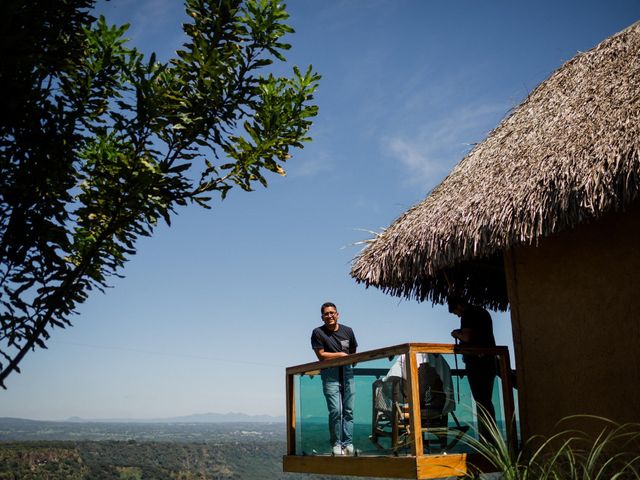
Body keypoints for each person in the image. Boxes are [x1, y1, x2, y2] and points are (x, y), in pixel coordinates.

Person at [311, 302, 358, 456]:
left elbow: (353, 351)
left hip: (347, 374)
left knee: (349, 410)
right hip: (330, 375)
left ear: (337, 314)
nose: (330, 316)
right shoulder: (318, 332)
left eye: (332, 313)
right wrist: (341, 355)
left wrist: (349, 359)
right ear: (322, 317)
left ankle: (348, 443)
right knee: (336, 411)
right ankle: (336, 443)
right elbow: (321, 355)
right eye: (326, 314)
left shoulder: (348, 331)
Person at [448, 296, 497, 438]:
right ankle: (491, 436)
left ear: (459, 305)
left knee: (481, 401)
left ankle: (487, 438)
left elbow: (468, 338)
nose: (457, 315)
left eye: (455, 312)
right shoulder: (483, 312)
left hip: (477, 362)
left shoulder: (468, 314)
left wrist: (456, 333)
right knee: (486, 400)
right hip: (489, 360)